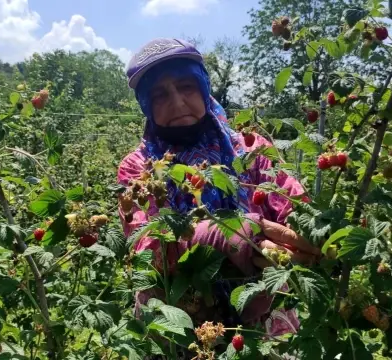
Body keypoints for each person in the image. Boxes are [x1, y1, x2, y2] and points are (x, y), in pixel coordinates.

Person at [117, 38, 321, 328]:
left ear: (203, 87)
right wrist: (227, 234)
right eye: (160, 95)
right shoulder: (138, 167)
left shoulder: (251, 150)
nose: (177, 102)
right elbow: (146, 247)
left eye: (186, 86)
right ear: (146, 105)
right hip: (178, 323)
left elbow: (292, 205)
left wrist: (313, 231)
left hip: (263, 322)